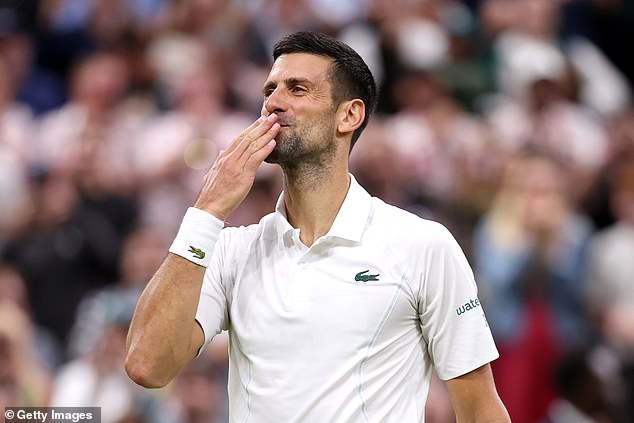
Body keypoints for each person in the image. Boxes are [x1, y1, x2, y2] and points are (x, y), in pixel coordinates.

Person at [125, 31, 510, 422]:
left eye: (297, 89)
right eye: (270, 90)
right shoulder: (229, 249)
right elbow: (146, 365)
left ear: (349, 115)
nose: (273, 104)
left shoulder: (422, 244)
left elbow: (480, 409)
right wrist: (207, 210)